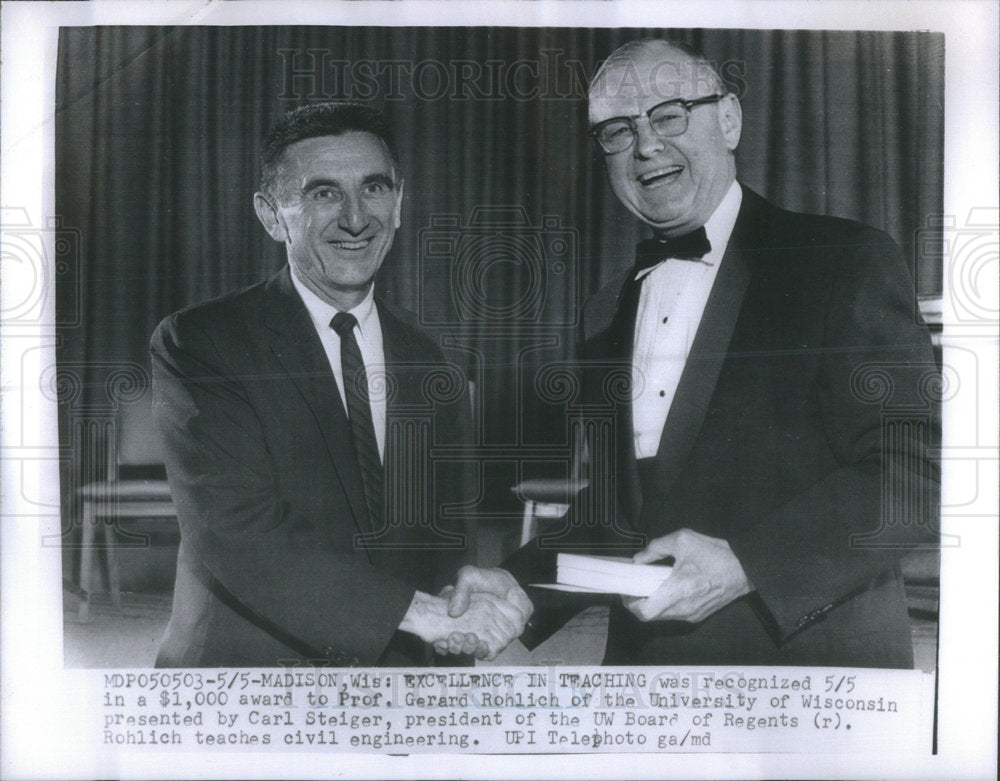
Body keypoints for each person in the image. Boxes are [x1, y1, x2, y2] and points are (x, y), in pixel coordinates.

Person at [450, 39, 939, 667]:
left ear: (729, 119)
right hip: (646, 690)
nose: (646, 145)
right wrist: (518, 587)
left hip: (812, 679)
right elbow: (618, 516)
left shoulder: (842, 262)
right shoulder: (603, 312)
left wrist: (745, 565)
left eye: (670, 114)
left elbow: (915, 476)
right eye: (617, 131)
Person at [151, 102, 530, 667]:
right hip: (248, 680)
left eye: (374, 188)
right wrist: (420, 614)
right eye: (323, 193)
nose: (356, 218)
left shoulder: (431, 362)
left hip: (399, 680)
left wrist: (455, 623)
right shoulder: (202, 341)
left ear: (399, 204)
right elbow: (238, 531)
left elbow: (443, 543)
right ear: (271, 215)